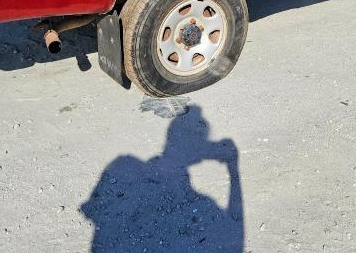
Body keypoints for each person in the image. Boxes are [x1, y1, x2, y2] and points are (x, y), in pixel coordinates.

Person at [80, 105, 243, 251]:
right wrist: (233, 169)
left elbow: (91, 210)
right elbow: (235, 234)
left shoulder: (123, 163)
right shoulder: (208, 205)